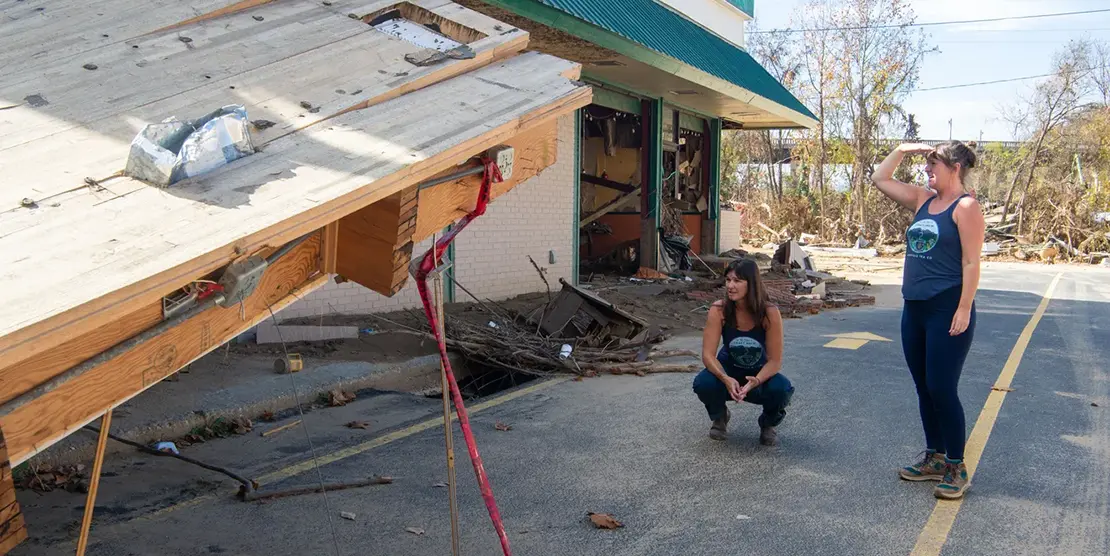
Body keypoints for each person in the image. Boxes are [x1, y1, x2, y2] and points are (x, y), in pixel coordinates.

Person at [871, 141, 985, 500]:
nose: (927, 170)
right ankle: (934, 457)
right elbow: (879, 178)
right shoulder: (923, 200)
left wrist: (964, 307)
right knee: (923, 386)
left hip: (947, 306)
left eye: (933, 164)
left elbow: (971, 262)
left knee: (942, 387)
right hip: (915, 307)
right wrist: (903, 150)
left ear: (955, 167)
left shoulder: (965, 207)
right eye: (926, 164)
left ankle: (956, 465)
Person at [692, 259, 794, 446]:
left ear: (751, 283)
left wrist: (757, 380)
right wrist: (724, 378)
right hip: (728, 372)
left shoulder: (769, 312)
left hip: (758, 375)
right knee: (703, 383)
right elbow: (708, 355)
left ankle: (767, 424)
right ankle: (720, 416)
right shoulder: (719, 310)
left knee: (782, 389)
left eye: (737, 281)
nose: (730, 286)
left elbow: (774, 361)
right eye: (728, 280)